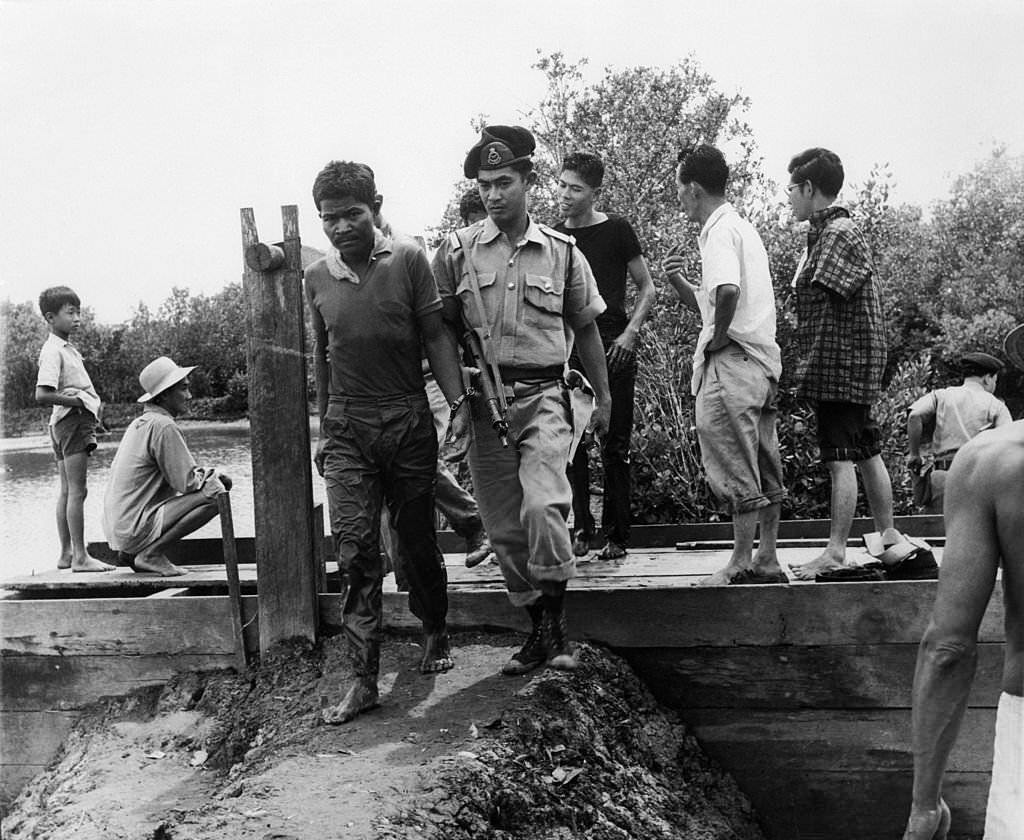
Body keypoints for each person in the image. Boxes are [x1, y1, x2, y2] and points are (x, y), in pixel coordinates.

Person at [433, 125, 611, 675]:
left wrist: (602, 398)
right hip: (485, 404)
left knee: (544, 506)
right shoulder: (456, 251)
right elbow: (438, 328)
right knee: (504, 530)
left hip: (545, 398)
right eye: (484, 184)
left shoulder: (562, 255)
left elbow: (585, 330)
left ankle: (555, 627)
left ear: (528, 180)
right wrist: (456, 399)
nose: (492, 194)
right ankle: (540, 629)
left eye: (504, 181)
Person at [305, 160, 470, 725]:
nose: (342, 227)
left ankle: (435, 627)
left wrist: (462, 408)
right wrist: (325, 427)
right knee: (354, 551)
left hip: (407, 418)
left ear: (375, 207)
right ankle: (363, 678)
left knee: (415, 541)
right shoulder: (317, 278)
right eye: (330, 218)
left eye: (352, 214)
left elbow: (435, 337)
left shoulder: (408, 261)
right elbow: (323, 360)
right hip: (349, 427)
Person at [901, 328, 1024, 840]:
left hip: (964, 482)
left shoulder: (996, 455)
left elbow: (948, 648)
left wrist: (924, 805)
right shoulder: (991, 407)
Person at [785, 148, 919, 580]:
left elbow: (818, 293)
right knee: (866, 450)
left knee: (840, 457)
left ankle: (835, 551)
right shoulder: (831, 233)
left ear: (809, 189)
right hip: (849, 362)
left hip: (840, 364)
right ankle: (889, 535)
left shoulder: (838, 232)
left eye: (792, 189)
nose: (788, 198)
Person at [661, 145, 786, 586]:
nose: (678, 198)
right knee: (764, 463)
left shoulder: (718, 233)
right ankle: (766, 559)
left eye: (679, 189)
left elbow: (727, 294)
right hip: (761, 365)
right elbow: (712, 301)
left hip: (732, 364)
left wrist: (715, 341)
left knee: (734, 463)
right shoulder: (742, 229)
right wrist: (678, 279)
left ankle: (739, 564)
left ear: (694, 189)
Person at [555, 152, 656, 561]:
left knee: (614, 444)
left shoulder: (616, 231)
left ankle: (617, 536)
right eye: (561, 184)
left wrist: (631, 334)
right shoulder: (556, 239)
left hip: (613, 343)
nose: (564, 194)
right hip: (569, 351)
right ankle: (581, 529)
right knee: (572, 444)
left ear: (595, 192)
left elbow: (647, 288)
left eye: (575, 188)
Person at [102, 357, 231, 577]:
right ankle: (151, 554)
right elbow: (188, 483)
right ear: (164, 395)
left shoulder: (139, 423)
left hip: (119, 530)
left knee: (216, 484)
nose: (189, 396)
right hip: (133, 527)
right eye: (183, 389)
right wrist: (216, 475)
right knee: (218, 493)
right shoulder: (163, 425)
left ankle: (134, 553)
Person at [35, 286, 114, 573]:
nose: (77, 318)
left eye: (78, 312)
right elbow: (42, 395)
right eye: (70, 313)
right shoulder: (54, 350)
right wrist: (80, 401)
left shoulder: (64, 348)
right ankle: (81, 556)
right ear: (50, 317)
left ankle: (67, 553)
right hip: (72, 421)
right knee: (78, 491)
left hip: (61, 422)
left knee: (67, 490)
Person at [906, 352, 1011, 514]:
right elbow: (1008, 443)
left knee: (939, 533)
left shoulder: (941, 396)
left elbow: (914, 416)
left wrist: (914, 454)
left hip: (942, 478)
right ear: (987, 379)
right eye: (995, 381)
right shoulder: (995, 405)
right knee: (973, 534)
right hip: (977, 479)